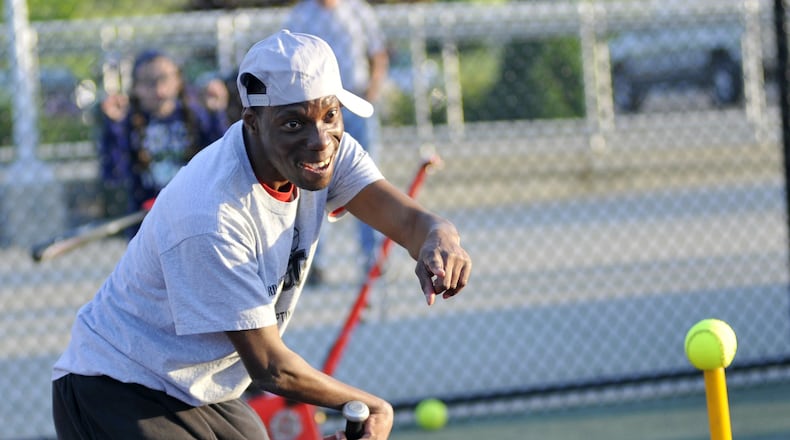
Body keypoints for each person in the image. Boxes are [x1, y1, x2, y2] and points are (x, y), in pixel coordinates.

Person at [51, 30, 471, 439]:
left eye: (331, 115)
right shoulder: (212, 213)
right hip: (115, 384)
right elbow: (271, 367)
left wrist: (440, 237)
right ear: (251, 121)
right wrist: (369, 405)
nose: (319, 141)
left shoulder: (329, 154)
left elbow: (412, 223)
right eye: (293, 124)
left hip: (201, 387)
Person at [284, 0, 389, 284]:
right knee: (315, 183)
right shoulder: (301, 15)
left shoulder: (358, 10)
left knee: (367, 182)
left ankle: (372, 258)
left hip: (355, 101)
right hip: (318, 110)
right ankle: (314, 262)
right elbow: (292, 62)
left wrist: (372, 91)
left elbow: (377, 54)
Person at [98, 49, 229, 224]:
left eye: (164, 79)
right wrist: (114, 126)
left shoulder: (195, 116)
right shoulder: (129, 122)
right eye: (148, 82)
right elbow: (114, 173)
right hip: (146, 222)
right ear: (136, 87)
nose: (158, 89)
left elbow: (224, 161)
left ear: (178, 81)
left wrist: (216, 114)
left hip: (194, 216)